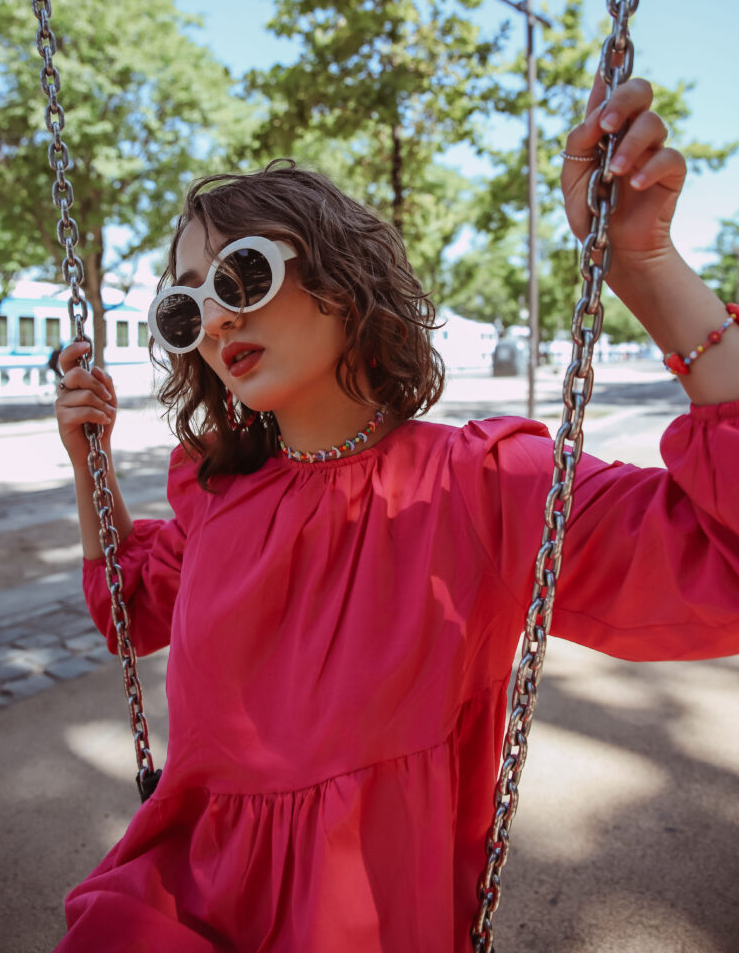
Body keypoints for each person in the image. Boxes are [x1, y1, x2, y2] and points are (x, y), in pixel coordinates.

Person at [53, 72, 739, 952]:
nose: (217, 319)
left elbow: (720, 559)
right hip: (185, 904)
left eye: (242, 273)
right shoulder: (218, 494)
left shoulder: (485, 484)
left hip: (368, 919)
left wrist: (644, 270)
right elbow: (130, 606)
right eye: (186, 307)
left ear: (341, 278)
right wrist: (90, 465)